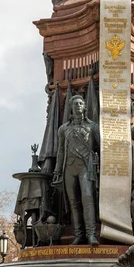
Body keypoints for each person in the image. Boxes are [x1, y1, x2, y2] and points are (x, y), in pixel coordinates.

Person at [53, 95, 100, 245]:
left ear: (85, 107)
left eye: (81, 103)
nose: (78, 106)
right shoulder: (63, 129)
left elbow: (100, 148)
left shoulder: (93, 126)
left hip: (86, 167)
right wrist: (57, 170)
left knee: (87, 199)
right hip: (69, 168)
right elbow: (60, 151)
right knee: (73, 202)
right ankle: (78, 234)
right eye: (75, 104)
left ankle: (91, 234)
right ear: (71, 108)